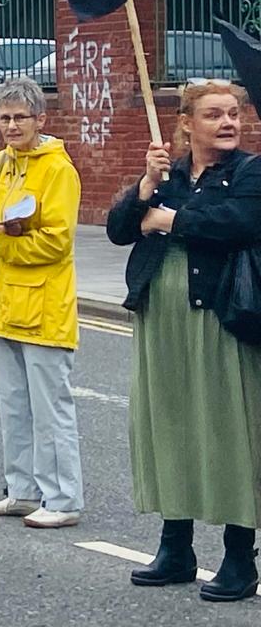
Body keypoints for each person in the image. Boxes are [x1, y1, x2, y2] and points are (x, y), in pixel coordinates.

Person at [106, 81, 261, 601]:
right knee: (169, 423)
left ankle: (240, 557)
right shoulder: (168, 173)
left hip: (220, 318)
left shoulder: (249, 172)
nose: (228, 122)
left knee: (228, 432)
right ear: (187, 124)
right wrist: (146, 187)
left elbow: (240, 221)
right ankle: (177, 547)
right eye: (214, 114)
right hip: (162, 317)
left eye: (234, 114)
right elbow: (119, 228)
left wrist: (172, 220)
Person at [0, 75, 83, 529]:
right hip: (3, 302)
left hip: (44, 306)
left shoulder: (58, 169)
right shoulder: (1, 163)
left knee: (50, 408)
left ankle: (63, 498)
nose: (11, 126)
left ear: (41, 119)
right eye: (4, 118)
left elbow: (55, 243)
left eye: (20, 118)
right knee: (13, 404)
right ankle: (22, 490)